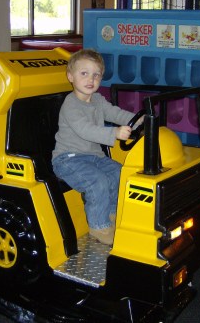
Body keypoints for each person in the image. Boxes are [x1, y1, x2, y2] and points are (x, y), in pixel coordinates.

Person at [52, 49, 139, 245]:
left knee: (119, 172)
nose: (91, 79)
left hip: (93, 156)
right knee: (97, 181)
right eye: (84, 73)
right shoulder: (70, 104)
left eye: (96, 75)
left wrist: (137, 120)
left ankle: (111, 214)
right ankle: (98, 227)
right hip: (68, 159)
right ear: (70, 76)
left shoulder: (98, 100)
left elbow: (115, 113)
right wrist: (114, 133)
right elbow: (85, 130)